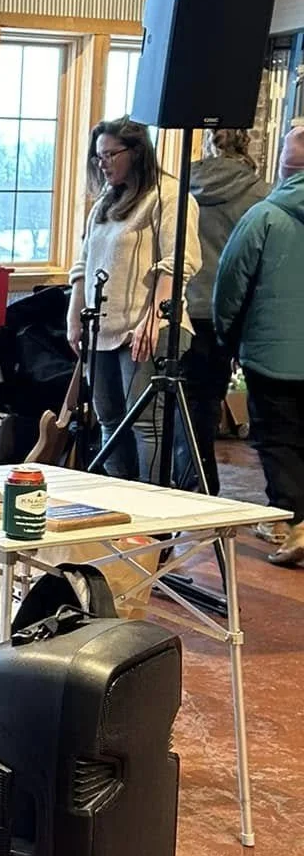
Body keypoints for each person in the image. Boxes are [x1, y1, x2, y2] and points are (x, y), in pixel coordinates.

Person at [68, 117, 200, 486]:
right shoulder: (105, 204)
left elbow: (178, 262)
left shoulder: (170, 197)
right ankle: (118, 499)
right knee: (108, 418)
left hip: (144, 329)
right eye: (98, 157)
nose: (103, 163)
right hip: (103, 330)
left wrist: (154, 318)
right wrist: (74, 317)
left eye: (111, 154)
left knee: (144, 423)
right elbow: (83, 263)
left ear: (137, 152)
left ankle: (150, 514)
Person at [213, 124, 304, 567]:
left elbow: (231, 284)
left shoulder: (265, 215)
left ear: (287, 166)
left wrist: (226, 334)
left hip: (273, 354)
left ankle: (296, 521)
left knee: (278, 439)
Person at [183, 129, 265, 495]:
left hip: (181, 307)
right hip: (224, 310)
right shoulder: (259, 195)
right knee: (207, 399)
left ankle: (189, 479)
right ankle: (203, 482)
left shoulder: (184, 185)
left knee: (179, 403)